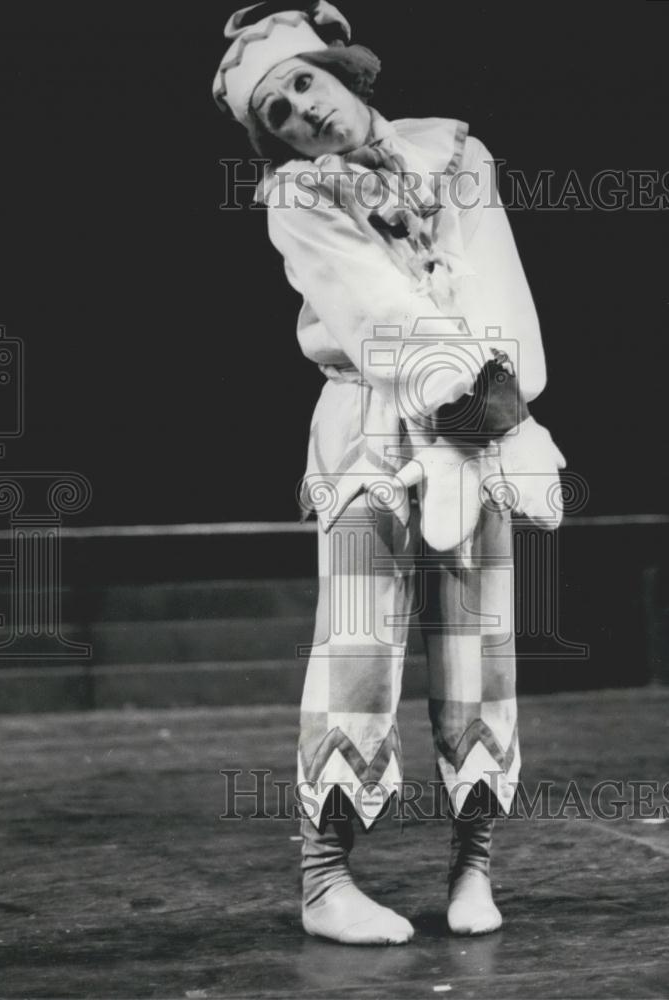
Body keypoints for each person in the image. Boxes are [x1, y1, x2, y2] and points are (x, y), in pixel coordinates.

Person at [213, 1, 565, 944]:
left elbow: (495, 276)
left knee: (478, 644)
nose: (301, 111)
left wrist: (507, 406)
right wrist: (460, 391)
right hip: (372, 425)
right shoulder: (298, 199)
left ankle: (472, 868)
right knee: (356, 651)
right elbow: (371, 310)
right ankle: (323, 881)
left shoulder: (457, 156)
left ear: (343, 71)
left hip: (483, 413)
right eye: (276, 112)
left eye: (304, 83)